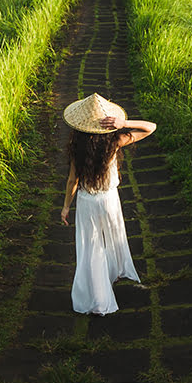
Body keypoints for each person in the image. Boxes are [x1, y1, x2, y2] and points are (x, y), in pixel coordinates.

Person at [60, 93, 156, 315]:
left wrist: (66, 207)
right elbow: (150, 127)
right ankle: (111, 276)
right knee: (112, 239)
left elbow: (72, 181)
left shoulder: (77, 149)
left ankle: (97, 297)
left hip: (86, 203)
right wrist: (124, 124)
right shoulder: (114, 142)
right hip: (109, 200)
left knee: (90, 248)